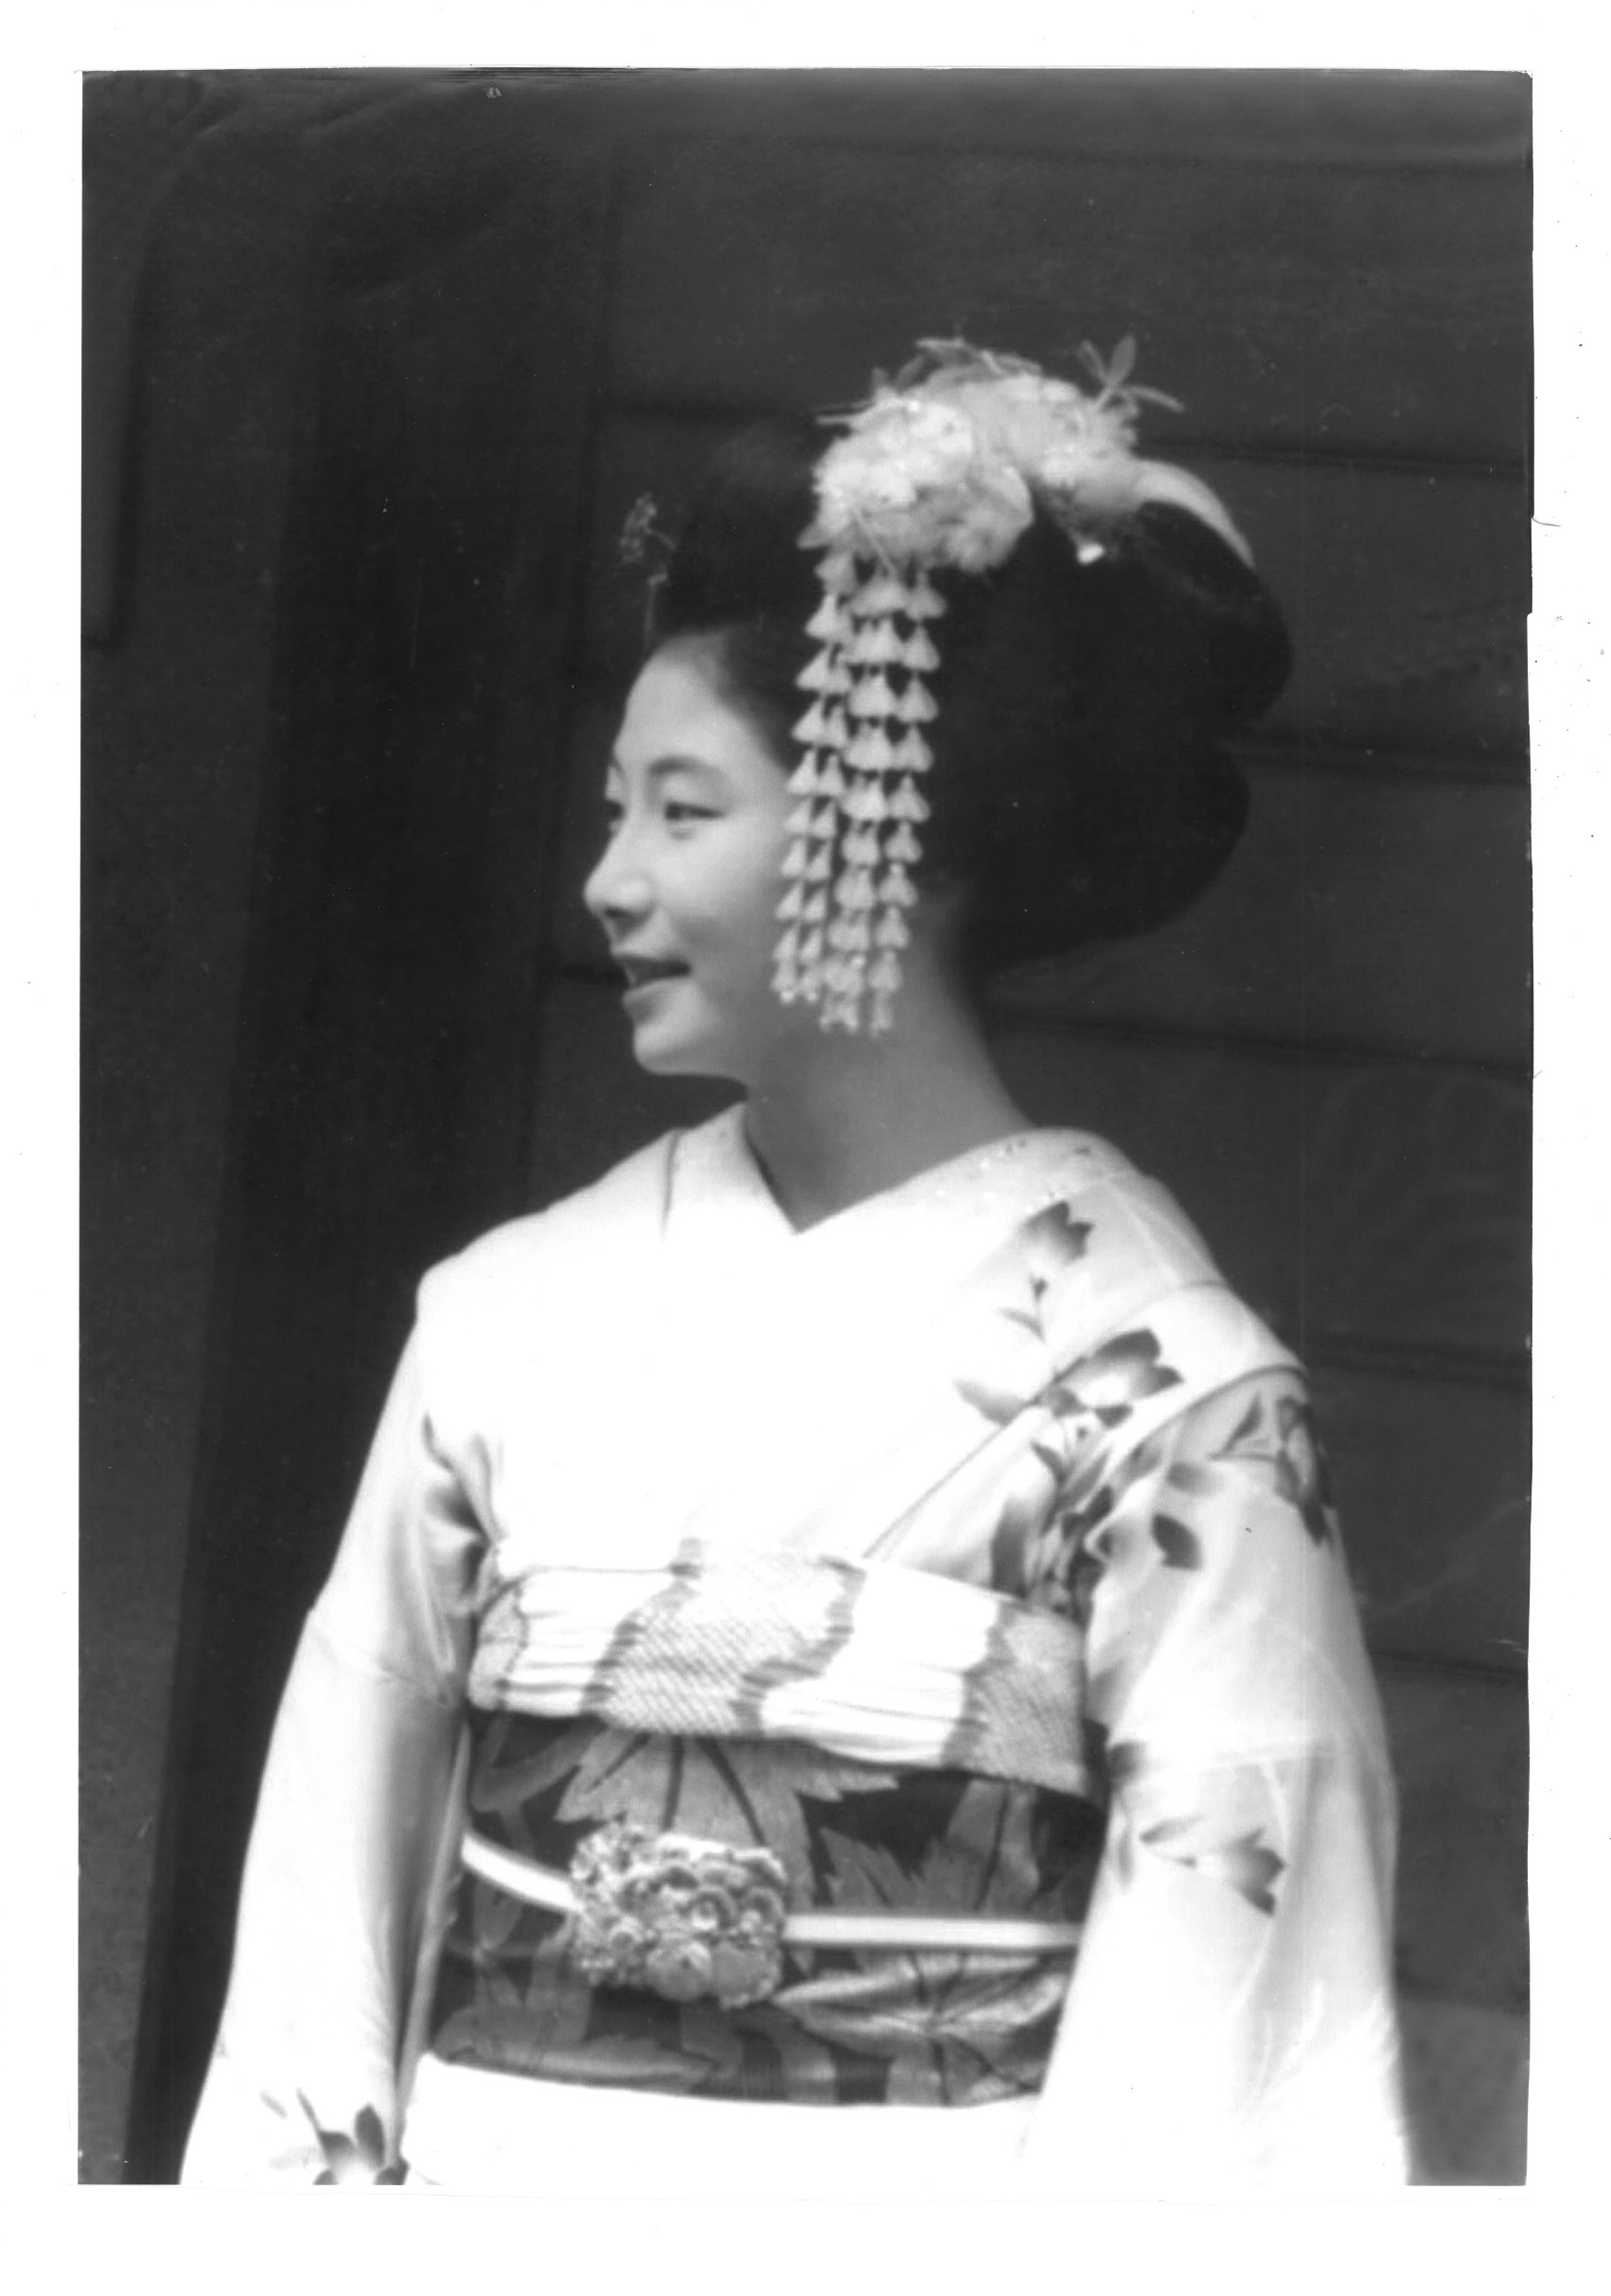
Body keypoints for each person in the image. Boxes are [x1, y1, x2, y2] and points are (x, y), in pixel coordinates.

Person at [182, 340, 1407, 2194]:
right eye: (614, 808)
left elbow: (1233, 1988)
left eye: (680, 811)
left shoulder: (1163, 1377)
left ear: (876, 825)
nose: (607, 879)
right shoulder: (502, 1318)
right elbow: (327, 1893)